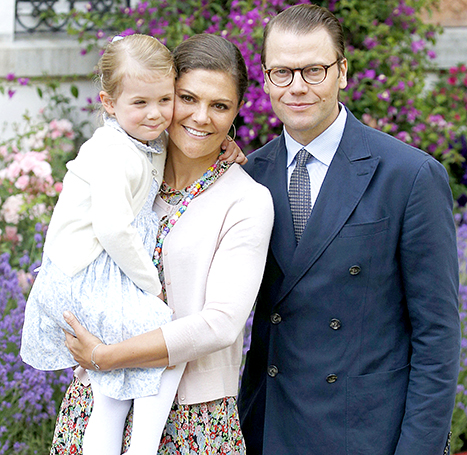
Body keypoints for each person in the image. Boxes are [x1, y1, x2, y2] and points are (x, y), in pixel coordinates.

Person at [237, 4, 461, 455]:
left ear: (342, 72)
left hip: (365, 434)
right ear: (265, 78)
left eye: (313, 70)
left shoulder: (409, 176)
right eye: (282, 72)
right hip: (269, 429)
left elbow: (437, 337)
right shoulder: (246, 177)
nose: (297, 87)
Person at [49, 33, 274, 455]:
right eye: (187, 98)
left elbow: (220, 323)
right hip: (97, 398)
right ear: (165, 95)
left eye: (220, 106)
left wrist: (109, 355)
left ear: (237, 112)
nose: (201, 117)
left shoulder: (247, 200)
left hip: (190, 418)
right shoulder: (132, 168)